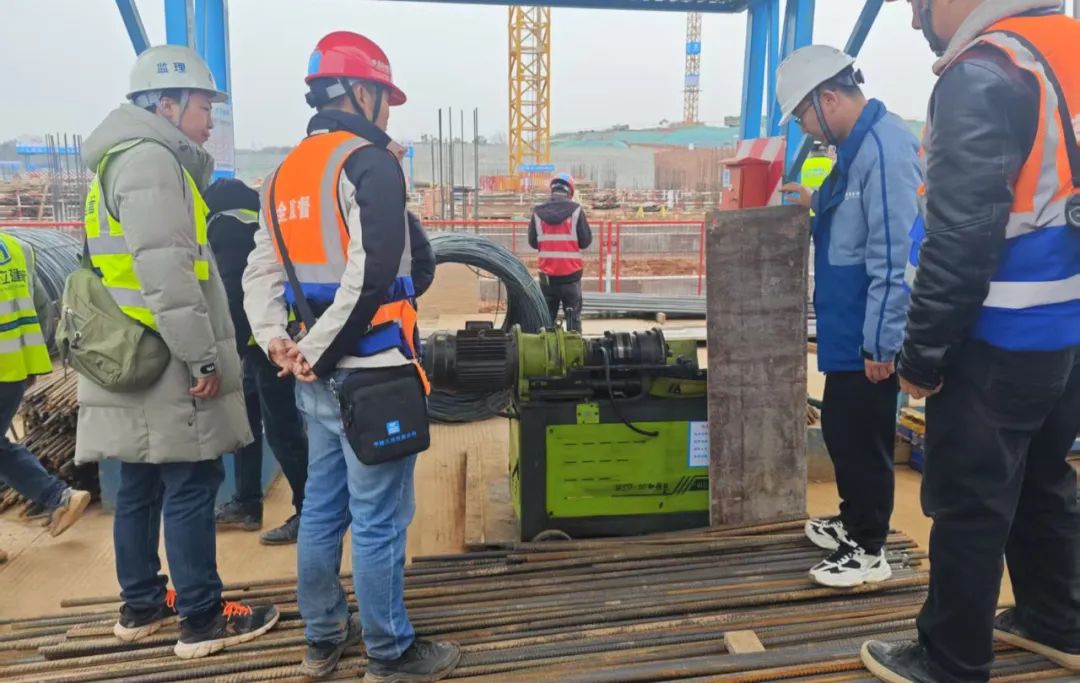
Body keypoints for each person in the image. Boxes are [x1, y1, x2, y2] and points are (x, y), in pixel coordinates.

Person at [862, 2, 1080, 681]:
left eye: (917, 3)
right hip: (1067, 328)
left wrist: (923, 355)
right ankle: (1057, 619)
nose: (915, 21)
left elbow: (960, 236)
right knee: (1044, 477)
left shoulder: (986, 70)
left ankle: (950, 659)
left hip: (1000, 336)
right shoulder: (1067, 48)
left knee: (968, 500)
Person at [242, 31, 459, 681]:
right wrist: (314, 349)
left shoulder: (282, 175)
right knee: (378, 519)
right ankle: (390, 652)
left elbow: (261, 271)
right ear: (362, 93)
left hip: (315, 381)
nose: (387, 112)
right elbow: (375, 277)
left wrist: (277, 340)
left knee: (322, 510)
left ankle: (323, 637)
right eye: (385, 98)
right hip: (375, 376)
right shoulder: (369, 164)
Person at [77, 44, 278, 658]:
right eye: (203, 106)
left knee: (139, 481)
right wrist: (203, 358)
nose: (211, 119)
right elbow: (168, 275)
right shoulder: (151, 162)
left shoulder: (118, 160)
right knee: (192, 480)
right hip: (166, 359)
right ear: (166, 105)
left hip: (133, 351)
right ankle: (201, 618)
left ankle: (141, 607)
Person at [776, 45, 921, 588]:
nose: (804, 127)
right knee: (842, 427)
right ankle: (853, 519)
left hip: (868, 332)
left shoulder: (884, 149)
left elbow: (894, 254)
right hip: (847, 328)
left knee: (864, 438)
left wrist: (883, 343)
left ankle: (867, 548)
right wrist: (812, 204)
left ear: (829, 98)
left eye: (803, 116)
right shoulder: (854, 150)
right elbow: (852, 221)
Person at [204, 178, 309, 545]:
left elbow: (235, 293)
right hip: (262, 342)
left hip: (266, 347)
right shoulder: (253, 220)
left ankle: (308, 512)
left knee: (282, 430)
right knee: (247, 426)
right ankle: (247, 503)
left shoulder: (225, 226)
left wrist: (225, 354)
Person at [0, 231, 92, 560]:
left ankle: (59, 497)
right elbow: (40, 309)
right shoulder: (17, 248)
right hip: (13, 369)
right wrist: (29, 362)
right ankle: (61, 497)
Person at [528, 173, 592, 332]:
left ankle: (547, 346)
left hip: (547, 280)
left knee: (546, 321)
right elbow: (585, 241)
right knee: (573, 321)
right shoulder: (576, 210)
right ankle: (574, 346)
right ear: (570, 191)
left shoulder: (538, 212)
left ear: (552, 189)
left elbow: (533, 242)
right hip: (571, 278)